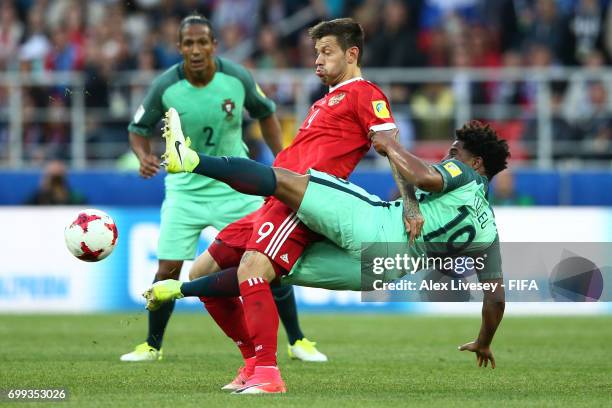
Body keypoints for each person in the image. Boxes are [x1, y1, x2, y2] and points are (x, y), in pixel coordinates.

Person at [148, 119, 509, 392]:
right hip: (383, 270)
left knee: (284, 180)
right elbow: (495, 298)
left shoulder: (463, 174)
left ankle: (191, 160)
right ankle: (185, 295)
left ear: (476, 163)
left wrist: (388, 145)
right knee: (271, 270)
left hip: (375, 226)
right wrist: (484, 340)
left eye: (455, 151)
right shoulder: (489, 228)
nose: (448, 155)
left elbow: (425, 176)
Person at [167, 18, 424, 393]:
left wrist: (411, 204)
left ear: (352, 54)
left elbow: (392, 146)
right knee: (202, 272)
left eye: (327, 52)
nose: (317, 61)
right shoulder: (326, 99)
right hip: (274, 199)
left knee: (253, 269)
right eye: (316, 53)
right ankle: (252, 363)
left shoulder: (365, 93)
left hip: (303, 202)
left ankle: (268, 374)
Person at [122, 14, 326, 364]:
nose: (197, 49)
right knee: (168, 269)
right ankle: (152, 345)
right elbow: (137, 128)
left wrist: (282, 160)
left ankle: (298, 340)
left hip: (235, 187)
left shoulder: (236, 78)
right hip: (185, 191)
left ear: (214, 45)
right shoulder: (165, 86)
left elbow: (266, 112)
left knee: (268, 260)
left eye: (203, 42)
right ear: (180, 48)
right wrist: (142, 155)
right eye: (189, 43)